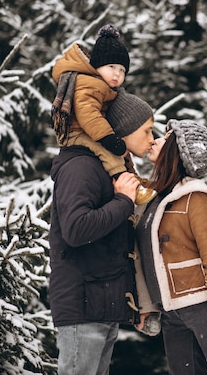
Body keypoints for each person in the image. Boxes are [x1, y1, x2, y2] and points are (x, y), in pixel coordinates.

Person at [135, 119, 207, 375]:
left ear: (176, 151)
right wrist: (148, 306)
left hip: (201, 306)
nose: (155, 140)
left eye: (165, 138)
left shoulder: (196, 198)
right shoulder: (153, 198)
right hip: (170, 312)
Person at [48, 91, 155, 375]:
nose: (151, 138)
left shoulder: (109, 169)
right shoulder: (81, 167)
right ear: (124, 130)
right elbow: (76, 229)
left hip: (101, 306)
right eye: (146, 130)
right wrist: (123, 202)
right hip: (83, 309)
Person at [51, 23, 137, 178]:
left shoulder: (101, 86)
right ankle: (121, 179)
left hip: (88, 131)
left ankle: (134, 179)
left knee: (123, 152)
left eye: (122, 70)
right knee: (110, 153)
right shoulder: (91, 84)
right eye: (111, 66)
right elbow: (87, 112)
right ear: (97, 66)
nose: (117, 74)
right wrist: (107, 138)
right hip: (77, 133)